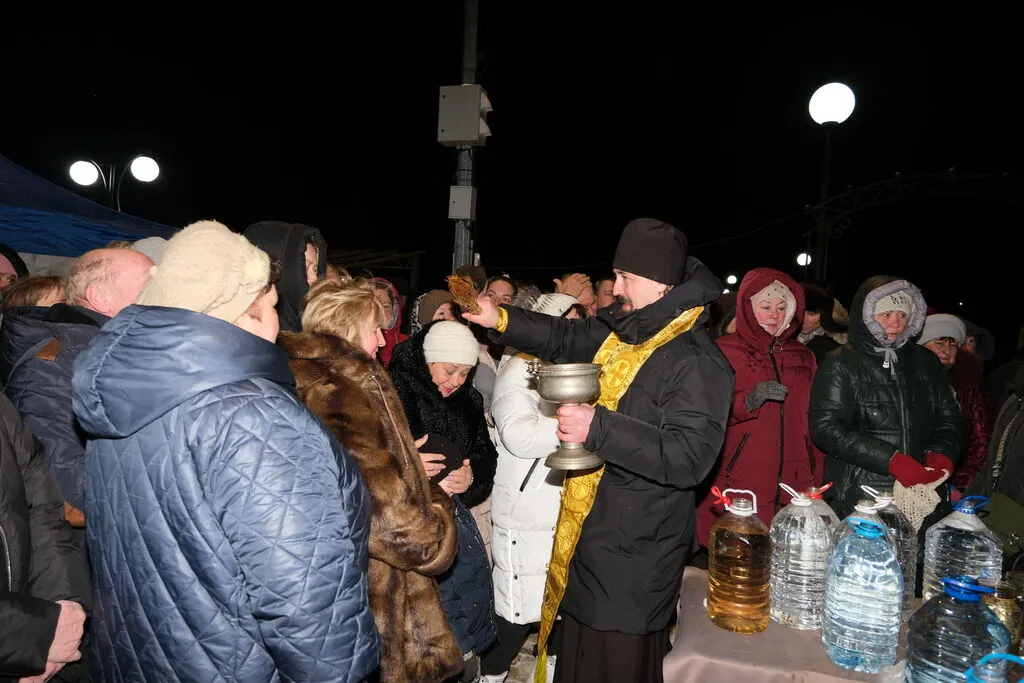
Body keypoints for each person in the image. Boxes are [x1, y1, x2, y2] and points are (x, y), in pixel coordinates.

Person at [71, 220, 378, 682]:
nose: (278, 321)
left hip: (147, 659)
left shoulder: (124, 393)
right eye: (271, 305)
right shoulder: (252, 416)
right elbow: (305, 596)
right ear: (242, 310)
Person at [464, 218, 733, 683]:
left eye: (627, 277)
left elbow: (690, 458)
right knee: (579, 654)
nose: (617, 289)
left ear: (662, 283)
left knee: (616, 662)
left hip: (637, 549)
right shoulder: (628, 327)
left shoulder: (696, 358)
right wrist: (500, 319)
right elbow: (565, 338)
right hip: (589, 533)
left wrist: (599, 426)